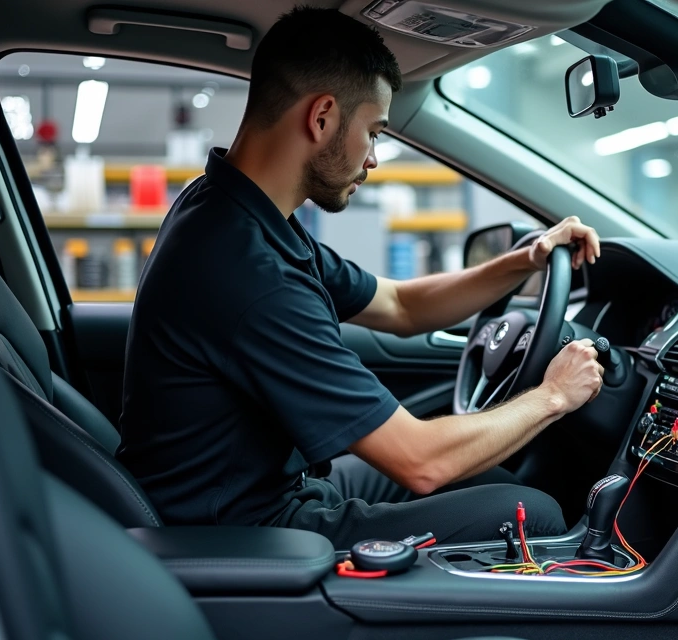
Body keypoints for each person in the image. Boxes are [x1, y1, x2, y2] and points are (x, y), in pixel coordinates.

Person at [117, 6, 604, 549]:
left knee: (492, 482)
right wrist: (555, 396)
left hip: (263, 492)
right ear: (322, 117)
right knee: (529, 513)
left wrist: (525, 259)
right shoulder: (253, 276)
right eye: (373, 132)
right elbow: (421, 462)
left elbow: (400, 306)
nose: (373, 158)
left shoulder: (231, 212)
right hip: (245, 535)